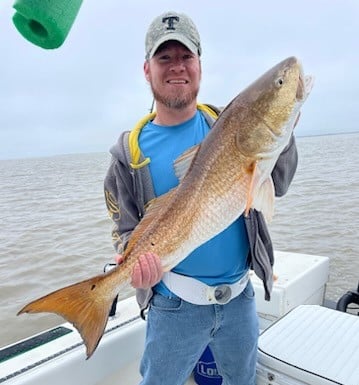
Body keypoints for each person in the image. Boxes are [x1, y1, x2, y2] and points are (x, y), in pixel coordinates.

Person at [104, 11, 298, 385]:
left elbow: (280, 182)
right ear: (147, 70)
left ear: (199, 65)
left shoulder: (230, 125)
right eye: (165, 58)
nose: (177, 67)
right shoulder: (127, 157)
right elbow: (124, 230)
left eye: (185, 57)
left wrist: (286, 131)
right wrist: (132, 263)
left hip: (240, 299)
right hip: (173, 306)